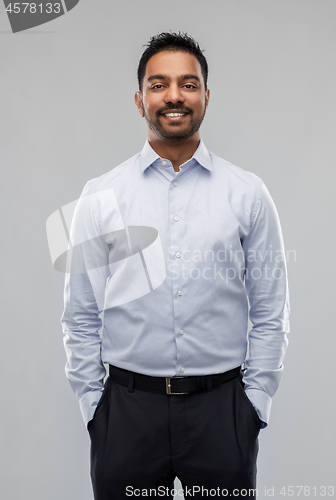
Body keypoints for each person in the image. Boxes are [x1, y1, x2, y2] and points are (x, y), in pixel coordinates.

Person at [61, 32, 290, 499]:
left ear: (206, 96)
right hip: (126, 414)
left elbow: (272, 311)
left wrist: (254, 404)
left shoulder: (247, 193)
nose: (174, 96)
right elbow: (79, 314)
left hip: (222, 413)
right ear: (140, 99)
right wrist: (94, 407)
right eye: (159, 84)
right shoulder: (101, 195)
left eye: (188, 84)